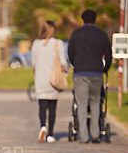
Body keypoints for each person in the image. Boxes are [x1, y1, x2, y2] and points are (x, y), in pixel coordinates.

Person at [68, 9, 112, 143]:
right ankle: (95, 133)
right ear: (95, 20)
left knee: (81, 104)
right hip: (97, 72)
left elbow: (70, 53)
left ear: (82, 20)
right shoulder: (102, 35)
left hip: (81, 72)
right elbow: (108, 55)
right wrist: (105, 69)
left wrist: (77, 65)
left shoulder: (76, 34)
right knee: (95, 102)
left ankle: (83, 135)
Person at [31, 20, 69, 143]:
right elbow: (63, 62)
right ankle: (51, 134)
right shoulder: (58, 43)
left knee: (42, 107)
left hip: (40, 80)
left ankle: (43, 127)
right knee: (52, 108)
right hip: (53, 80)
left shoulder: (36, 44)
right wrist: (66, 71)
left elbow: (33, 63)